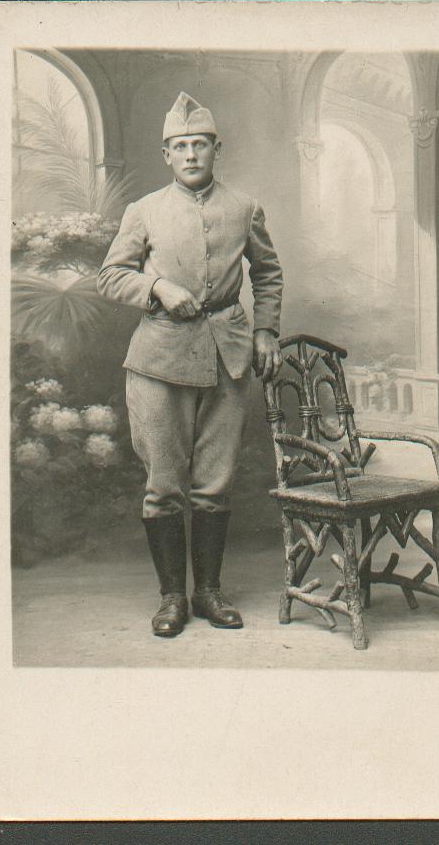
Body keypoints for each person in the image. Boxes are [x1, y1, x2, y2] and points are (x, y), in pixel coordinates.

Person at [97, 92, 283, 637]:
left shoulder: (244, 207)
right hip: (159, 360)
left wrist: (266, 330)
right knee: (163, 485)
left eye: (200, 144)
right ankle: (172, 599)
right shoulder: (144, 210)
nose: (191, 154)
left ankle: (208, 593)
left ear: (216, 149)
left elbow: (267, 273)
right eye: (180, 146)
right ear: (166, 155)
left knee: (214, 484)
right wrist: (157, 287)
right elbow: (111, 276)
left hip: (228, 357)